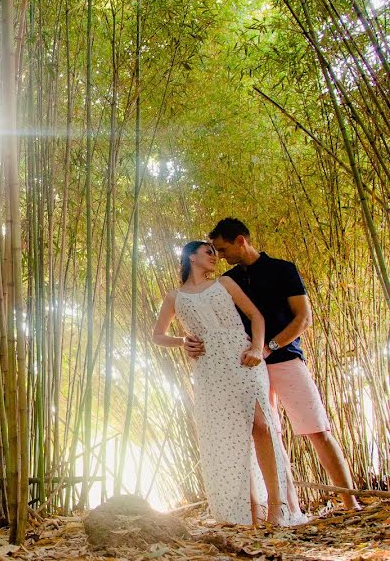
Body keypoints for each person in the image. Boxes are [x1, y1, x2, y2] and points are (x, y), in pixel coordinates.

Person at [202, 217, 360, 512]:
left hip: (286, 359)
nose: (220, 257)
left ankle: (350, 504)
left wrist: (270, 347)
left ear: (240, 240)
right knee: (271, 437)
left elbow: (303, 318)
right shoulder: (230, 281)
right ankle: (290, 509)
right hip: (249, 367)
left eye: (223, 249)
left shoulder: (283, 269)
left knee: (316, 429)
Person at [153, 241, 295, 525]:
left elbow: (256, 316)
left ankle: (277, 505)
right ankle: (251, 512)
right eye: (208, 252)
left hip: (242, 357)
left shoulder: (226, 283)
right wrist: (183, 341)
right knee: (232, 437)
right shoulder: (174, 297)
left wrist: (257, 348)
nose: (215, 257)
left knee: (261, 425)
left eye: (216, 252)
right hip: (209, 367)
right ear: (191, 256)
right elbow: (157, 335)